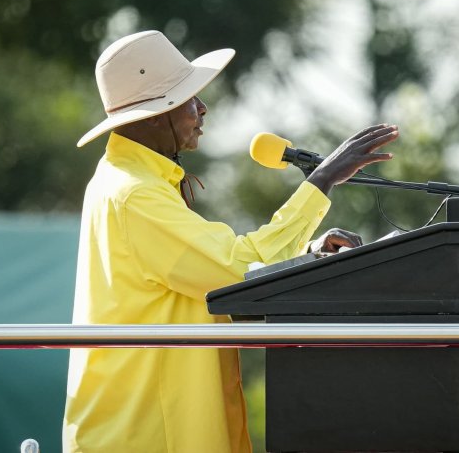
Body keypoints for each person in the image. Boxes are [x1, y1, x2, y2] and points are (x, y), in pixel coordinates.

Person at [62, 30, 399, 452]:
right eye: (187, 99)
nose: (202, 109)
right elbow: (237, 271)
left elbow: (218, 270)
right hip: (147, 434)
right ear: (151, 115)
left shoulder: (129, 183)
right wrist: (322, 180)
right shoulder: (135, 193)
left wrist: (305, 256)